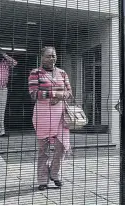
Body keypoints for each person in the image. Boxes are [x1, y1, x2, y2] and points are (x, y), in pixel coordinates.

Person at [28, 46, 72, 191]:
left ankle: (55, 174)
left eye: (53, 55)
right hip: (43, 115)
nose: (51, 58)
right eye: (48, 56)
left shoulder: (62, 73)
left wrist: (62, 96)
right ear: (42, 57)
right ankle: (42, 180)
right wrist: (56, 94)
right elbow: (34, 94)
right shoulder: (36, 73)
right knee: (43, 149)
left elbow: (69, 92)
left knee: (62, 146)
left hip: (60, 115)